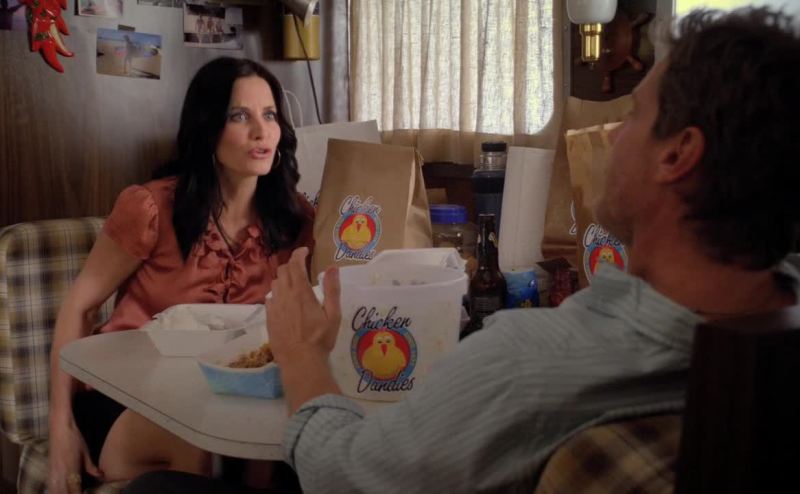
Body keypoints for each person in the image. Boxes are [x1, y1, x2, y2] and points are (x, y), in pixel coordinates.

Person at [124, 7, 800, 494]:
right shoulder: (770, 321)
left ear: (678, 155)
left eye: (634, 116)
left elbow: (345, 472)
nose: (614, 135)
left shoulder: (527, 363)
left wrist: (302, 356)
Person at [48, 57, 314, 494]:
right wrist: (60, 429)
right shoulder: (150, 208)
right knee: (196, 441)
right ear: (208, 129)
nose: (261, 131)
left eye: (269, 115)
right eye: (239, 116)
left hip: (232, 401)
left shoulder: (295, 219)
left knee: (285, 446)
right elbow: (80, 306)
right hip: (129, 397)